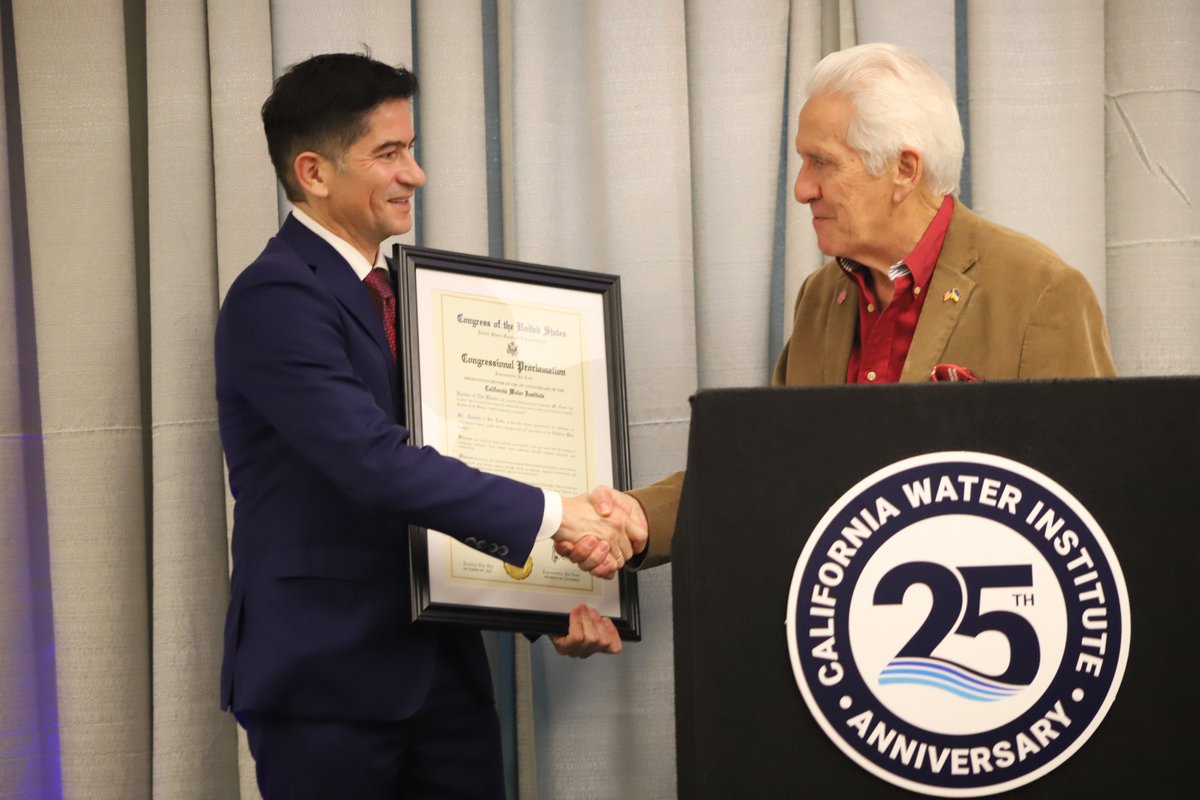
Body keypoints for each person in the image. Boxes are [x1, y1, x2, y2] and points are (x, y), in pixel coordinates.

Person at [215, 53, 644, 799]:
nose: (415, 174)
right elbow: (377, 464)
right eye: (389, 153)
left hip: (444, 675)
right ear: (314, 173)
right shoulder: (275, 298)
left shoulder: (415, 298)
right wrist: (560, 514)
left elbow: (464, 457)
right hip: (326, 685)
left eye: (411, 149)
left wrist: (556, 601)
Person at [563, 42, 1116, 571]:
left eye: (822, 163)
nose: (803, 188)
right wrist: (636, 517)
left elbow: (1093, 505)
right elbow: (771, 465)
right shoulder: (822, 297)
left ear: (904, 169)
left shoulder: (1040, 292)